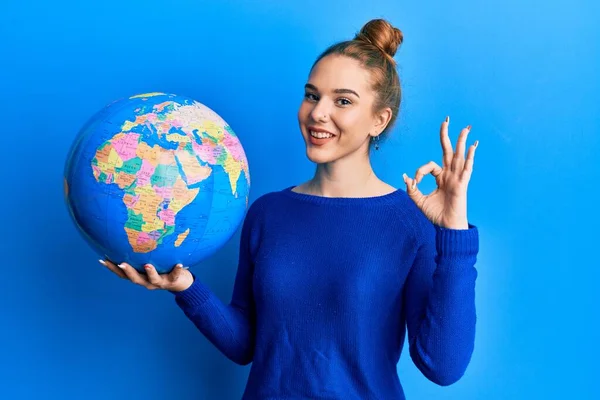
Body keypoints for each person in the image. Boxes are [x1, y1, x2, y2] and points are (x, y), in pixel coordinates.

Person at [100, 18, 480, 400]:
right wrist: (186, 287)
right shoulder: (268, 213)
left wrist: (454, 234)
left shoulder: (410, 224)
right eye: (312, 95)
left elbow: (442, 367)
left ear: (379, 120)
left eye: (343, 101)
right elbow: (247, 345)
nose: (317, 113)